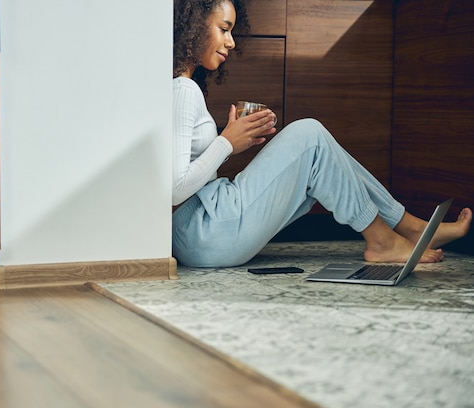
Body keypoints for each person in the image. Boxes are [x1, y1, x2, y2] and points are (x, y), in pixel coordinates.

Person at [172, 0, 472, 267]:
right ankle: (385, 239)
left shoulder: (181, 87)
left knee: (319, 148)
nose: (232, 42)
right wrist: (226, 143)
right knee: (310, 135)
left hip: (203, 228)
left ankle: (409, 227)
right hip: (204, 232)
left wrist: (234, 143)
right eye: (224, 29)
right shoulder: (184, 89)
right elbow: (174, 188)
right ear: (196, 26)